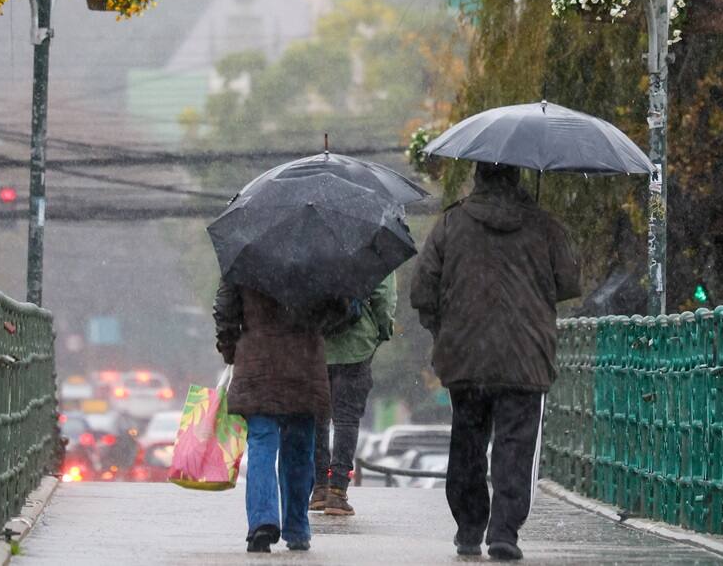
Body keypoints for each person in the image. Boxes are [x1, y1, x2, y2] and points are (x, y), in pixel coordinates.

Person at [410, 161, 579, 561]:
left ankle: (470, 527)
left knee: (468, 441)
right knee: (516, 446)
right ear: (519, 177)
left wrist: (444, 330)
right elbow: (569, 282)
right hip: (526, 358)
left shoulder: (451, 224)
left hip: (466, 356)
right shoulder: (545, 226)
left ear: (479, 176)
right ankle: (504, 531)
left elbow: (422, 289)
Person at [214, 280, 332, 553]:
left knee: (262, 445)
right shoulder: (318, 258)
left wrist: (231, 349)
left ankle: (262, 522)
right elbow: (340, 308)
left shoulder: (244, 257)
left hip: (258, 366)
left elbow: (225, 310)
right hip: (303, 366)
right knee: (300, 451)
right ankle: (297, 527)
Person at [309, 274, 396, 516]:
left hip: (317, 345)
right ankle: (337, 491)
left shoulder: (311, 243)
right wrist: (381, 331)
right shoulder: (374, 245)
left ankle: (319, 488)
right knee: (346, 419)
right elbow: (384, 297)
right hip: (357, 345)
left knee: (318, 419)